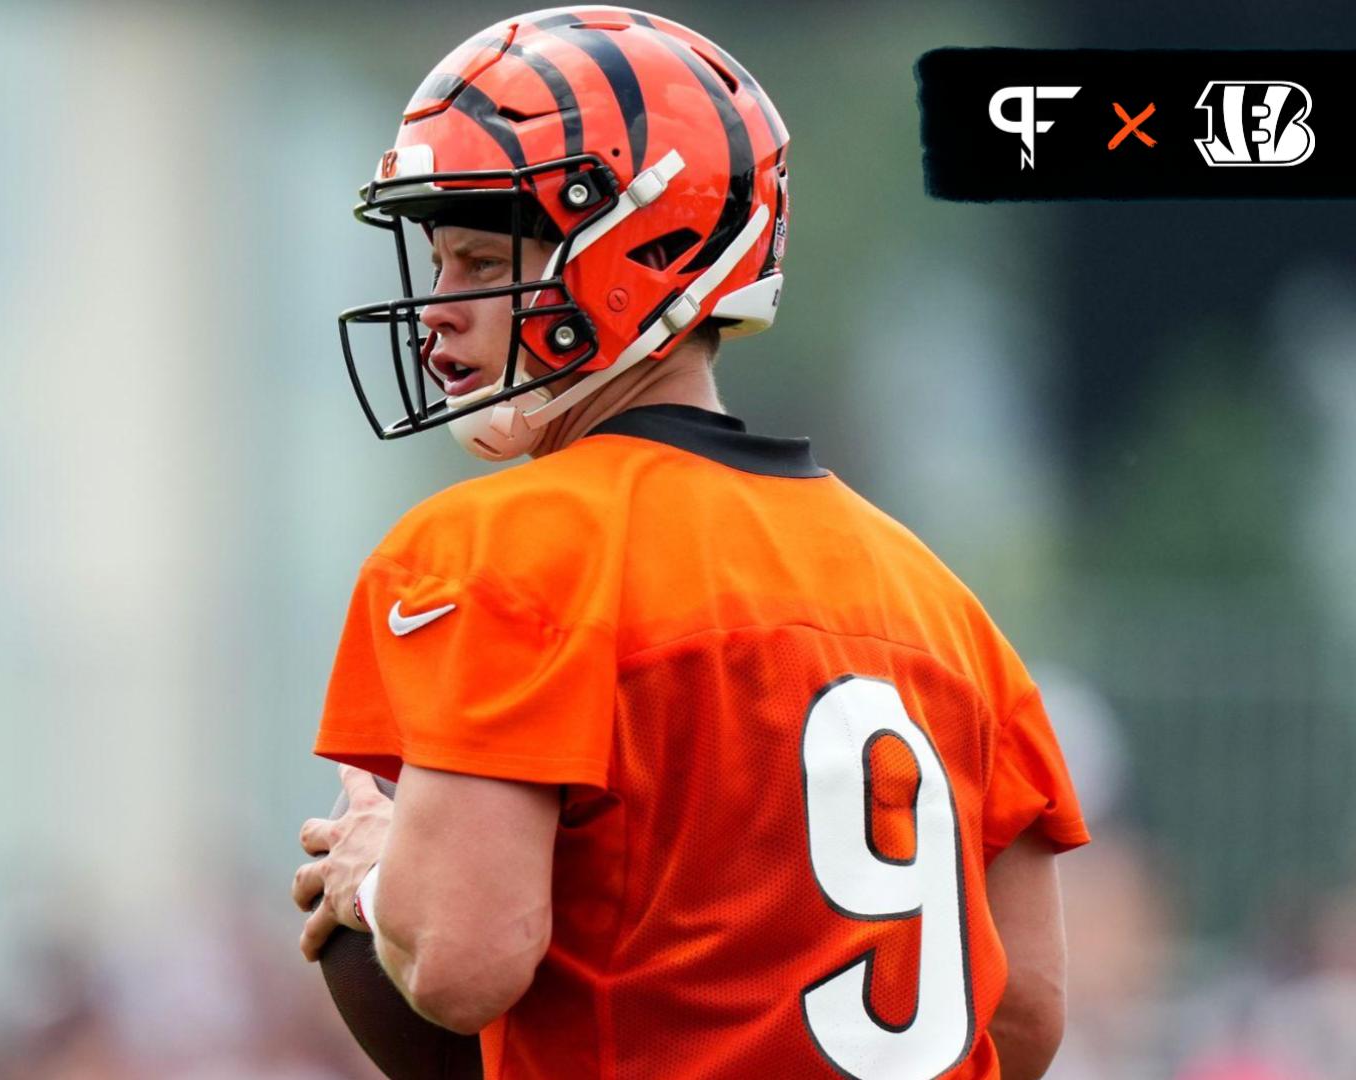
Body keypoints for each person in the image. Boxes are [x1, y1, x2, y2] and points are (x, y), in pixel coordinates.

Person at [290, 8, 1088, 1078]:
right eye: (437, 262)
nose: (436, 311)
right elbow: (1023, 1020)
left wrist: (380, 878)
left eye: (480, 260)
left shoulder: (500, 546)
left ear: (641, 251)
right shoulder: (943, 604)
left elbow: (464, 961)